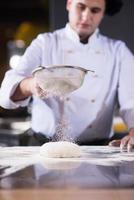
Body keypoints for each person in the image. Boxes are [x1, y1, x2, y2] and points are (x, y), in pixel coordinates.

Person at [0, 0, 134, 151]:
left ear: (102, 13)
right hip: (44, 147)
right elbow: (6, 91)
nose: (86, 16)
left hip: (97, 150)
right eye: (81, 7)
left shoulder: (118, 51)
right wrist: (31, 85)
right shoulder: (45, 43)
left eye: (95, 10)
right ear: (69, 4)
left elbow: (131, 102)